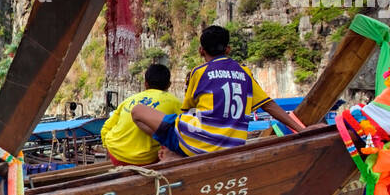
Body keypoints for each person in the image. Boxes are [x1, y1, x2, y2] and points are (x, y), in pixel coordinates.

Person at [133, 25, 302, 158]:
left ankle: (174, 153)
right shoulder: (245, 73)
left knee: (138, 111)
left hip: (198, 144)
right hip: (232, 146)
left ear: (201, 51)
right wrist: (301, 130)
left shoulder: (199, 72)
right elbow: (269, 105)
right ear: (228, 49)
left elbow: (186, 111)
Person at [100, 63, 182, 166]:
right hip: (146, 159)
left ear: (146, 84)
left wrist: (108, 146)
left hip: (116, 154)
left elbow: (105, 129)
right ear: (169, 85)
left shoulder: (128, 100)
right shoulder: (175, 103)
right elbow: (184, 131)